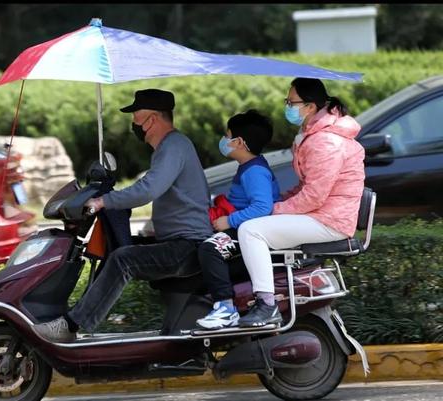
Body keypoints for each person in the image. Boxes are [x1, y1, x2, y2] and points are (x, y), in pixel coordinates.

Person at [32, 88, 214, 342]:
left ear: (151, 119)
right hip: (177, 240)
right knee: (117, 248)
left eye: (136, 116)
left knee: (123, 259)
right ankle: (78, 315)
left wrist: (103, 201)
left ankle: (71, 326)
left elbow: (148, 189)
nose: (133, 123)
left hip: (187, 246)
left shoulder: (173, 145)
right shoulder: (171, 147)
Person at [236, 77, 365, 328]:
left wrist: (274, 210)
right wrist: (279, 201)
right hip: (324, 214)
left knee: (251, 231)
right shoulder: (314, 134)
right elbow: (308, 186)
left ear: (310, 107)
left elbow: (314, 195)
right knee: (256, 224)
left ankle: (266, 305)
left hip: (329, 220)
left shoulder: (325, 141)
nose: (288, 107)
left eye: (291, 102)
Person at [195, 110, 281, 330]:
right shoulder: (249, 167)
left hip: (247, 230)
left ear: (239, 142)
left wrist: (229, 221)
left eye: (227, 136)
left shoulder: (254, 172)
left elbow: (263, 207)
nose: (224, 141)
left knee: (210, 249)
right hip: (242, 227)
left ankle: (225, 308)